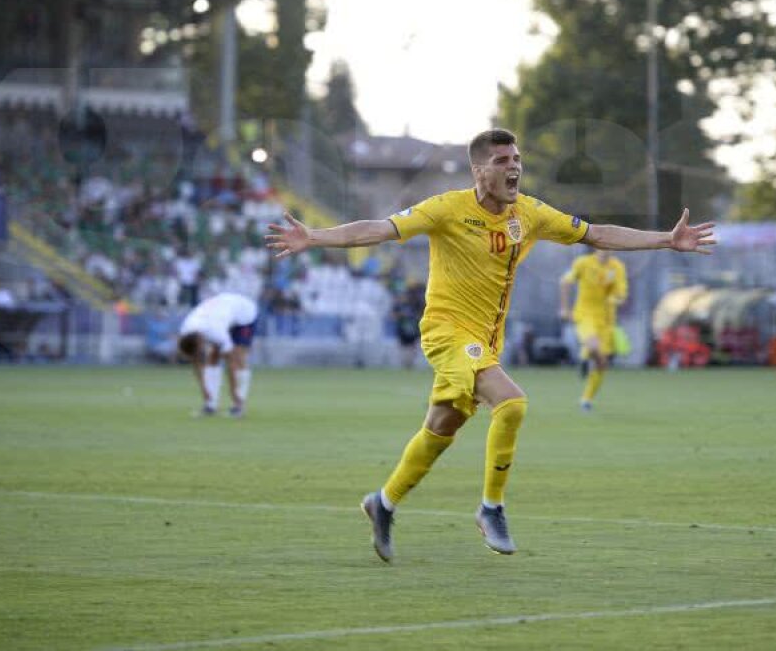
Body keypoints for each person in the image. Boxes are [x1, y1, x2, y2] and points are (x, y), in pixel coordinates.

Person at [266, 128, 715, 562]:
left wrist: (666, 240)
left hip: (484, 341)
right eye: (503, 161)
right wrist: (316, 237)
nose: (514, 167)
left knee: (441, 428)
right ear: (479, 170)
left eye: (517, 160)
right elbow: (379, 229)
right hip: (445, 332)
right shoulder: (446, 208)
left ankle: (383, 502)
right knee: (513, 404)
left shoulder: (531, 214)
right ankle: (491, 508)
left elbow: (596, 234)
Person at [559, 248, 628, 412]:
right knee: (593, 346)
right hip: (584, 314)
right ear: (597, 246)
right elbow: (565, 282)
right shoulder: (583, 263)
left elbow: (621, 293)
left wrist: (615, 298)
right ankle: (584, 358)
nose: (607, 249)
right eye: (604, 244)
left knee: (602, 363)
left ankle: (586, 400)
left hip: (606, 320)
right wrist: (564, 308)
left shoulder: (617, 267)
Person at [175, 292, 258, 418]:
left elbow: (230, 363)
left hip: (244, 314)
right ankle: (210, 405)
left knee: (238, 357)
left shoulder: (216, 331)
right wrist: (204, 390)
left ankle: (238, 405)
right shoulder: (186, 329)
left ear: (200, 342)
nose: (199, 355)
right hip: (222, 312)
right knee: (213, 356)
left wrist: (233, 392)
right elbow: (195, 361)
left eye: (199, 351)